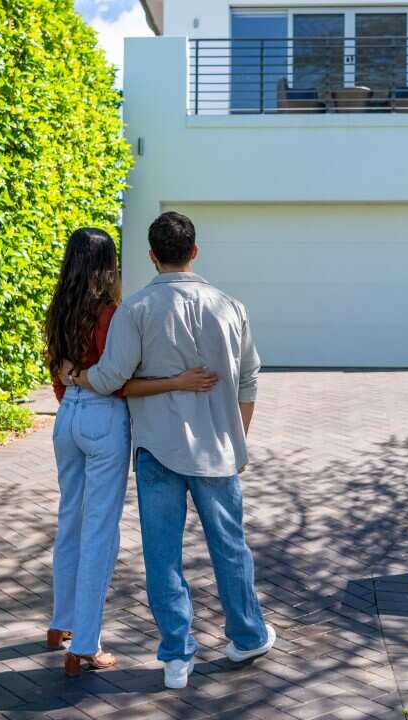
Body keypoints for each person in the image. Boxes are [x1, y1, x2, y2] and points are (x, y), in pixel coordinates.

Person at [65, 211, 275, 690]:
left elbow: (110, 380)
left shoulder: (136, 310)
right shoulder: (230, 306)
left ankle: (176, 657)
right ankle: (248, 635)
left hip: (158, 451)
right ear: (194, 251)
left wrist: (76, 377)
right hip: (219, 452)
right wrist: (237, 437)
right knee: (230, 548)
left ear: (152, 256)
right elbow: (248, 379)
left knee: (162, 557)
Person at [43, 226, 217, 678]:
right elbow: (117, 380)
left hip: (67, 419)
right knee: (100, 530)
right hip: (103, 418)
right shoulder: (111, 313)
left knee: (70, 520)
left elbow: (58, 373)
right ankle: (85, 645)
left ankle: (60, 622)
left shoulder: (58, 307)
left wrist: (73, 388)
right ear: (108, 265)